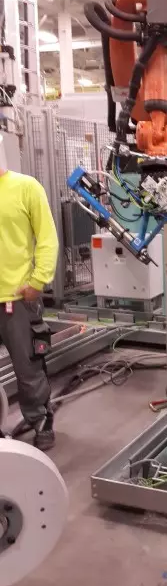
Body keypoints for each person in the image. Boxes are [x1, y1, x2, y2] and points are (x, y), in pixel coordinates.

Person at [0, 136, 59, 450]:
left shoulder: (26, 187)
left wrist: (38, 281)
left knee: (29, 369)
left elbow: (47, 238)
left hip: (17, 301)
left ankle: (40, 421)